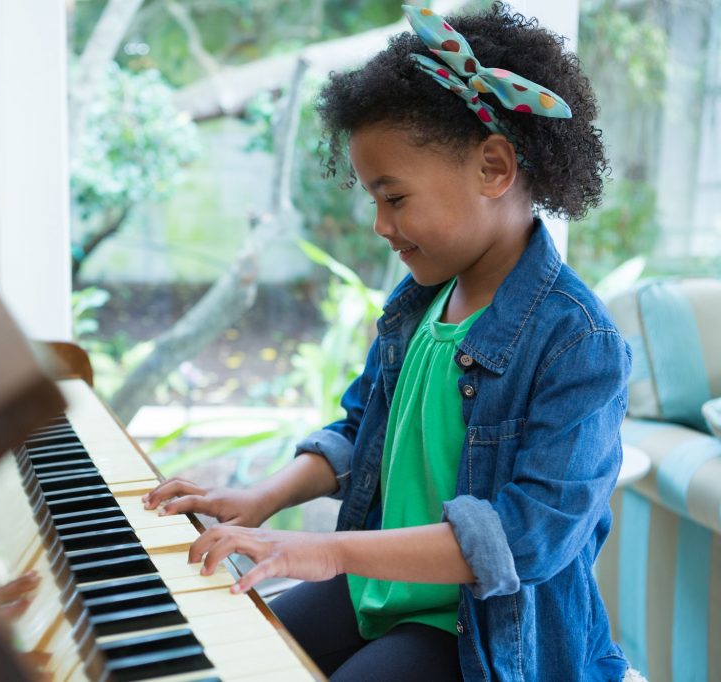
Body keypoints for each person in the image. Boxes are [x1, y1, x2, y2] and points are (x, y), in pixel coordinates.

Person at [143, 3, 633, 681]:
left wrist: (332, 552)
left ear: (494, 168)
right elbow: (358, 432)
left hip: (483, 631)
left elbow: (525, 539)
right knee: (237, 654)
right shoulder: (422, 302)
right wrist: (260, 499)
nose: (379, 224)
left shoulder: (578, 343)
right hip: (383, 589)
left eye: (393, 198)